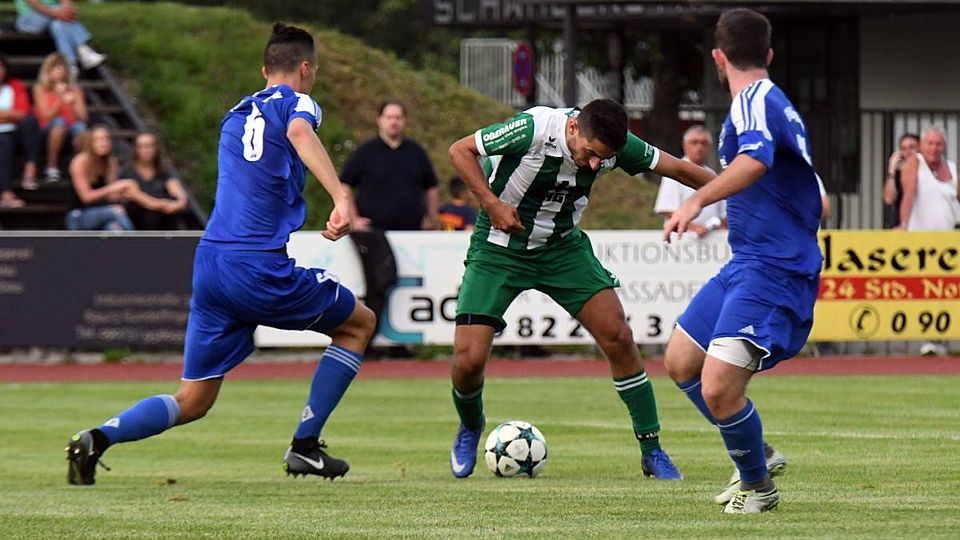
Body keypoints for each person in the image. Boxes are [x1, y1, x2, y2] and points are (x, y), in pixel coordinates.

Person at [65, 23, 376, 485]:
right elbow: (298, 131)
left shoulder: (235, 114)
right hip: (256, 264)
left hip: (211, 264)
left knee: (193, 399)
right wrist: (341, 197)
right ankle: (305, 447)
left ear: (263, 70)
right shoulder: (298, 101)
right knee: (359, 324)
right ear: (305, 69)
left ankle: (96, 438)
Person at [446, 98, 715, 480]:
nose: (594, 165)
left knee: (619, 337)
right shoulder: (533, 129)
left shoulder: (615, 144)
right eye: (590, 153)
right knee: (469, 360)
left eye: (602, 159)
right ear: (573, 128)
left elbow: (679, 169)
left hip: (562, 251)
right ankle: (471, 424)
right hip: (498, 249)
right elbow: (460, 150)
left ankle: (651, 449)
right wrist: (491, 204)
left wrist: (741, 189)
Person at [661, 8, 823, 514]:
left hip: (774, 266)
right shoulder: (773, 104)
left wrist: (696, 200)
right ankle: (760, 455)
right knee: (681, 360)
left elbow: (754, 160)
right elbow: (800, 187)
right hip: (749, 260)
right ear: (768, 53)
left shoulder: (752, 100)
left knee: (718, 386)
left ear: (718, 57)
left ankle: (759, 487)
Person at [340, 101, 439, 353]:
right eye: (389, 117)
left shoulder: (415, 152)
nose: (394, 122)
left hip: (411, 233)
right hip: (375, 234)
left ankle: (402, 340)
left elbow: (431, 186)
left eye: (398, 117)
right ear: (379, 120)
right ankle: (369, 340)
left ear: (404, 120)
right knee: (380, 283)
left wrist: (432, 217)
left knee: (407, 287)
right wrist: (353, 218)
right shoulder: (366, 152)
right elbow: (345, 184)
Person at [897, 126, 958, 356]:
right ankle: (927, 339)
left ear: (944, 146)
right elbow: (908, 194)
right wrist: (903, 224)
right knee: (923, 289)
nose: (934, 148)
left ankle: (940, 338)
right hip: (921, 243)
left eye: (938, 143)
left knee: (945, 290)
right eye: (930, 143)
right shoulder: (916, 163)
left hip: (947, 244)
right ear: (922, 145)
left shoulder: (952, 168)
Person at [654, 125, 725, 235]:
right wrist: (694, 228)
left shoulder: (712, 175)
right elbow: (667, 209)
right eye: (694, 142)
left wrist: (715, 226)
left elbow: (723, 213)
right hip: (682, 236)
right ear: (684, 145)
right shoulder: (674, 172)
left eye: (703, 143)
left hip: (712, 237)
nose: (699, 147)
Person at [65, 125, 137, 230]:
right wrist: (113, 187)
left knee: (114, 228)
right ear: (90, 143)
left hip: (104, 210)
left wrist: (123, 194)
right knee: (115, 211)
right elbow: (86, 197)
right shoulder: (80, 161)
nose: (103, 143)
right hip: (79, 214)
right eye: (98, 140)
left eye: (106, 139)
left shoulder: (111, 162)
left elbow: (111, 196)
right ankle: (136, 240)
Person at [14, 0, 106, 79]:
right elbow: (35, 5)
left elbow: (66, 2)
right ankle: (83, 48)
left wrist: (67, 8)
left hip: (53, 16)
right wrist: (59, 12)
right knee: (59, 12)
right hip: (28, 20)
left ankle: (70, 64)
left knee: (57, 25)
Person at [33, 53, 88, 182]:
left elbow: (83, 117)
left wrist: (73, 104)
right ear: (48, 70)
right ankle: (51, 167)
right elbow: (46, 116)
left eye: (62, 68)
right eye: (56, 68)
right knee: (59, 122)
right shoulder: (40, 88)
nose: (60, 71)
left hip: (71, 126)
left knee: (81, 129)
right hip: (47, 128)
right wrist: (60, 98)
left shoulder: (75, 90)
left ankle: (80, 168)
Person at [120, 132, 190, 230]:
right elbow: (139, 197)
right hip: (138, 216)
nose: (147, 150)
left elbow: (176, 189)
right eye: (142, 146)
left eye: (150, 146)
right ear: (136, 149)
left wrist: (180, 203)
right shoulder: (127, 171)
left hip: (162, 216)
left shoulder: (163, 170)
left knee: (172, 201)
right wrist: (164, 204)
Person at [0, 55, 40, 206]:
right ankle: (5, 193)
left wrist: (5, 116)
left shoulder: (15, 86)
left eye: (0, 66)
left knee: (30, 122)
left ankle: (30, 166)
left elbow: (23, 112)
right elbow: (16, 114)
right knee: (4, 142)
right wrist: (10, 114)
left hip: (15, 131)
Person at [883, 133, 920, 229]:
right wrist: (891, 171)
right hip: (902, 226)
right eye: (903, 148)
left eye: (911, 147)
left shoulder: (927, 171)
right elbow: (888, 199)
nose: (907, 152)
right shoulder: (898, 173)